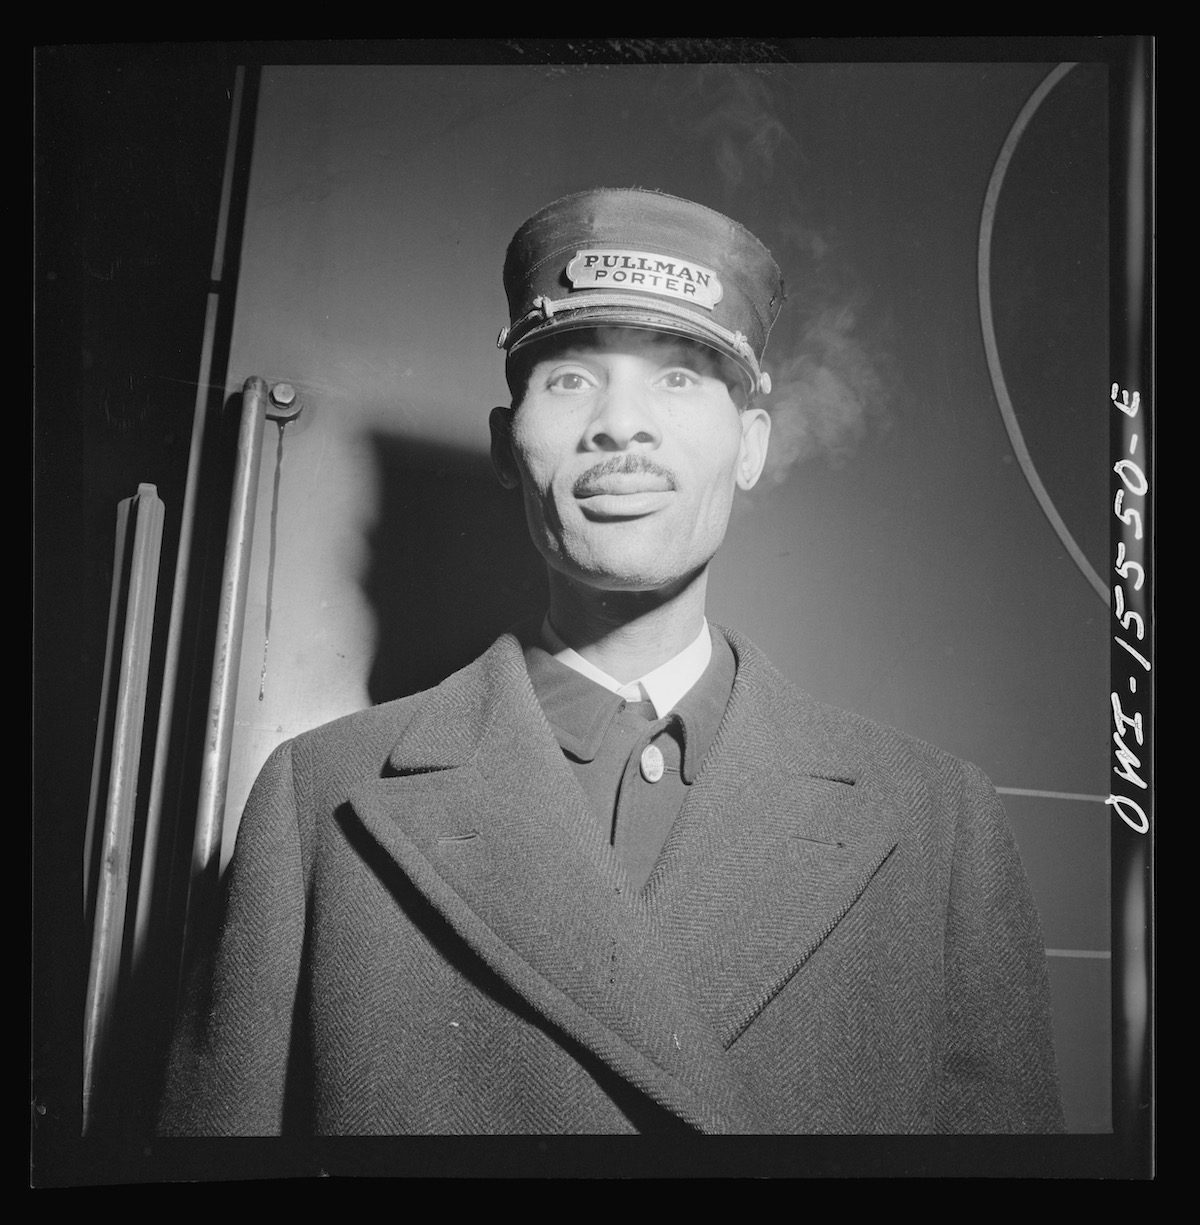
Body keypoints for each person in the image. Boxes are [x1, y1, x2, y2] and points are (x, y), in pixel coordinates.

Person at [160, 187, 1064, 1136]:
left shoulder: (936, 823)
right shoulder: (318, 801)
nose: (619, 425)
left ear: (750, 445)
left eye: (678, 377)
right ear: (508, 445)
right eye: (568, 379)